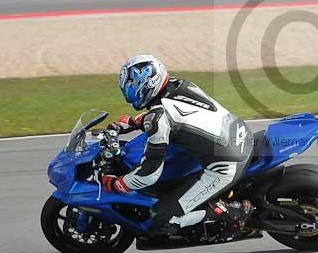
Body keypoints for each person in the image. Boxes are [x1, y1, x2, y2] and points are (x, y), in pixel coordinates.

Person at [101, 55, 253, 236]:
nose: (129, 94)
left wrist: (119, 184)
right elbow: (177, 113)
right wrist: (137, 121)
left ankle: (231, 212)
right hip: (239, 133)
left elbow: (149, 174)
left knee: (161, 219)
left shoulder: (159, 120)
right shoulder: (179, 84)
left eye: (132, 87)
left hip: (225, 165)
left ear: (147, 84)